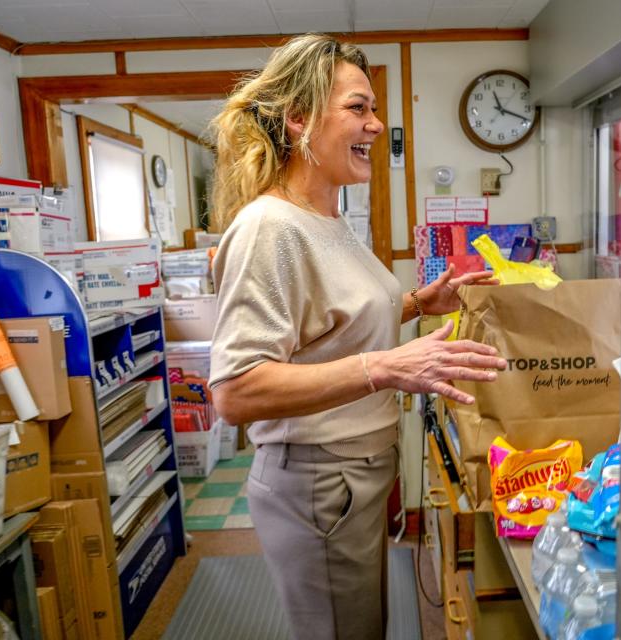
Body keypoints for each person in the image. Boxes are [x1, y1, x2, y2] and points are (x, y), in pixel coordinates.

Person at [208, 33, 507, 640]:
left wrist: (421, 302)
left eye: (373, 110)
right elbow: (236, 391)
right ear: (298, 118)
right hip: (319, 482)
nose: (375, 125)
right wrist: (385, 367)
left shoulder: (329, 219)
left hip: (357, 473)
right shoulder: (270, 227)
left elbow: (330, 323)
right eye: (358, 108)